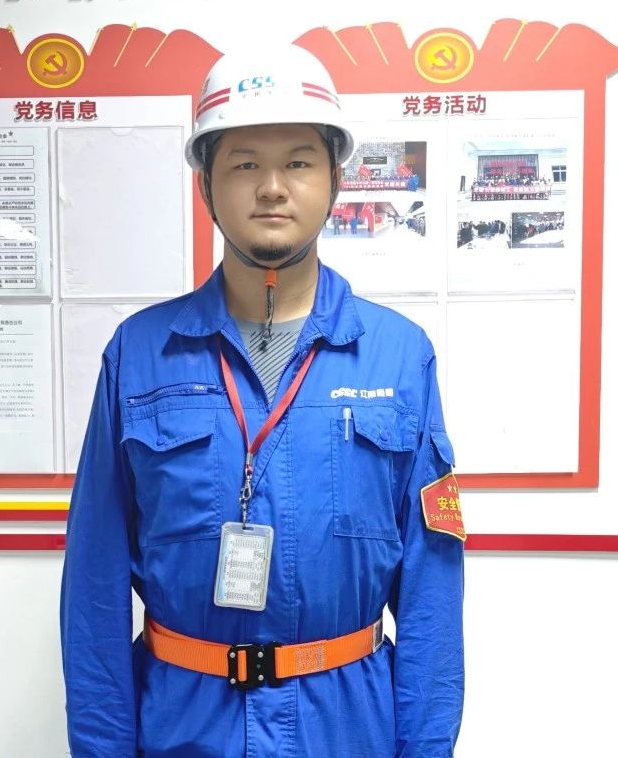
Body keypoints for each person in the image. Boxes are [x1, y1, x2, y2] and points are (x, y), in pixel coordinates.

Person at [60, 45, 464, 757]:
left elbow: (432, 589)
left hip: (347, 731)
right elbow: (94, 584)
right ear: (206, 186)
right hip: (185, 727)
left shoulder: (401, 357)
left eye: (298, 162)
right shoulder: (138, 354)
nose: (272, 188)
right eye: (245, 164)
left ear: (336, 179)